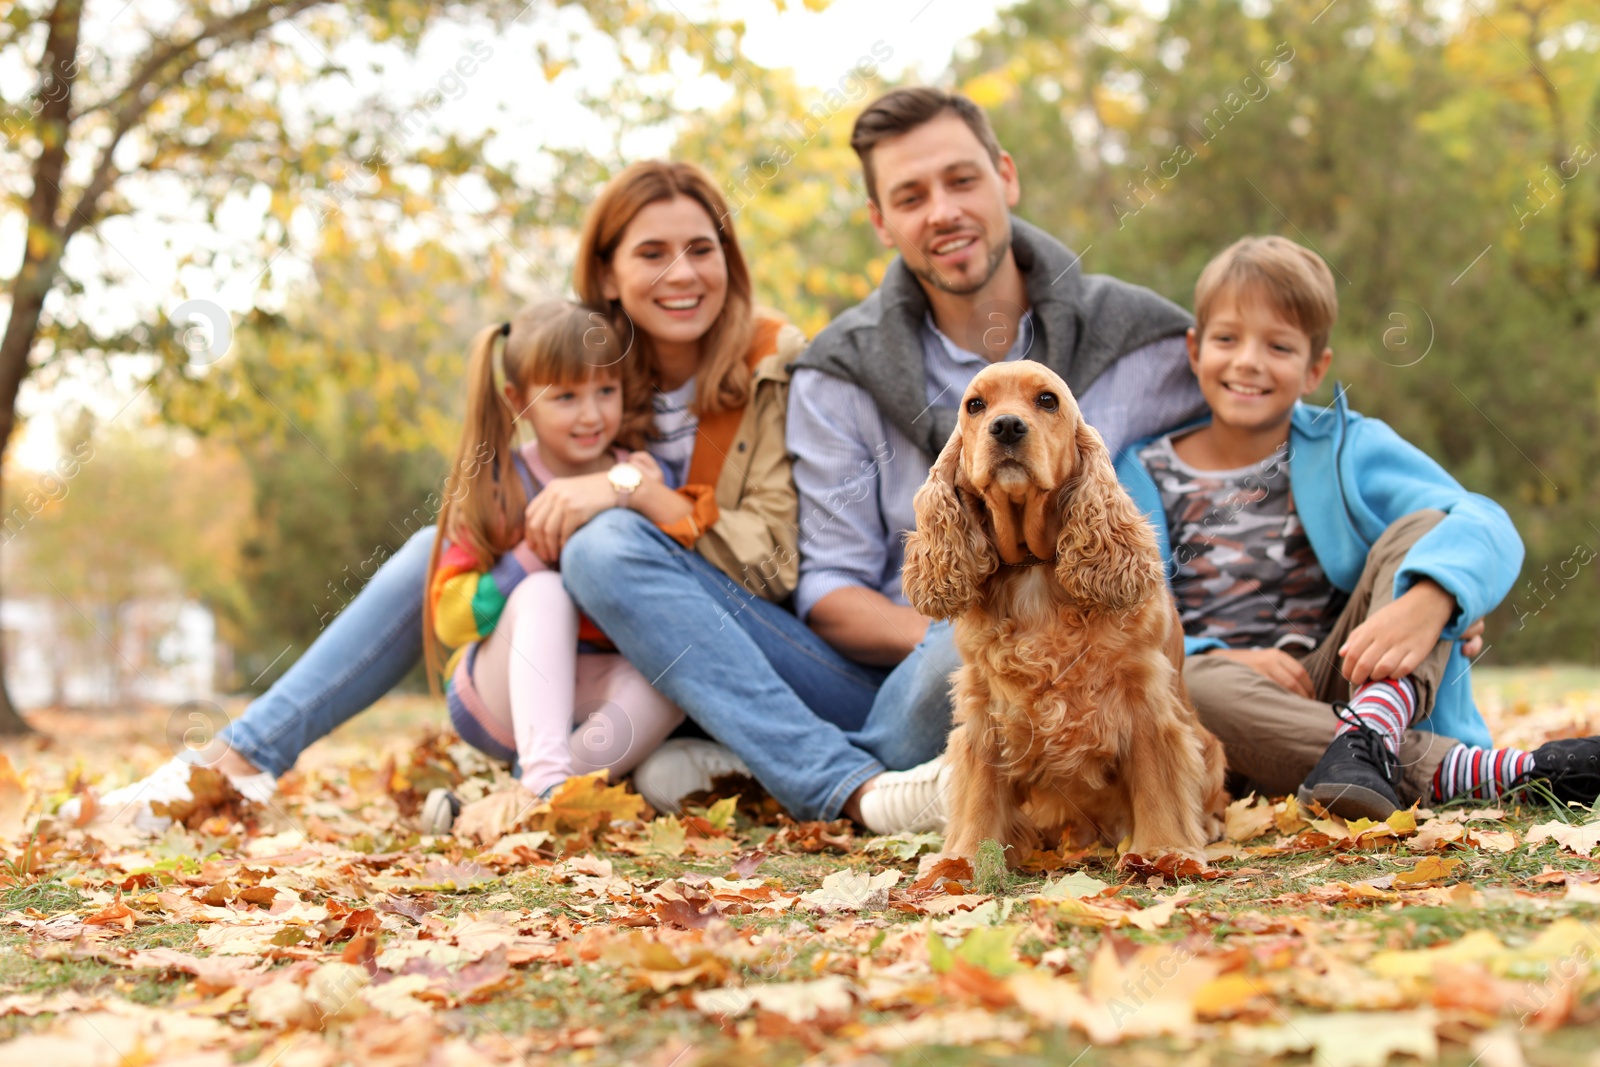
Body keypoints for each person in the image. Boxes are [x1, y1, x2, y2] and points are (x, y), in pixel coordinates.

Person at [63, 160, 883, 833]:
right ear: (606, 271)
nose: (683, 274)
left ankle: (557, 787)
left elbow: (776, 563)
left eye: (703, 249)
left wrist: (627, 490)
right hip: (611, 661)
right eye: (652, 252)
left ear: (729, 260)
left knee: (599, 549)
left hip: (742, 645)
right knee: (435, 555)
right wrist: (505, 577)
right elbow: (485, 560)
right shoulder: (586, 371)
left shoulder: (770, 363)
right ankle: (239, 759)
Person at [622, 86, 1216, 829]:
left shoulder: (1140, 339)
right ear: (880, 220)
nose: (942, 212)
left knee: (1011, 659)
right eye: (910, 195)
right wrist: (985, 628)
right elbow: (830, 592)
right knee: (607, 547)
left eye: (961, 180)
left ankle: (773, 772)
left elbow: (1283, 433)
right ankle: (875, 783)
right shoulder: (837, 371)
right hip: (894, 674)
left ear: (1006, 176)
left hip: (1079, 671)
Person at [1113, 235, 1600, 818]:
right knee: (1192, 687)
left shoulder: (1347, 444)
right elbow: (1124, 619)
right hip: (1230, 712)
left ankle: (1370, 731)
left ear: (1316, 367)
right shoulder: (1143, 470)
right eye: (1227, 339)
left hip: (1353, 670)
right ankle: (1483, 773)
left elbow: (1482, 520)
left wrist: (1434, 597)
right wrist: (1218, 656)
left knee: (1427, 528)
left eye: (1278, 346)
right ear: (1194, 351)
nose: (1248, 361)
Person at [417, 301, 686, 832]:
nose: (591, 415)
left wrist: (647, 499)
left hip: (596, 696)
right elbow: (450, 617)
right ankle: (543, 779)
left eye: (604, 392)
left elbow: (675, 589)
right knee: (545, 593)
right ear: (519, 401)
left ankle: (525, 804)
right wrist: (531, 557)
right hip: (499, 694)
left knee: (677, 672)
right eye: (565, 397)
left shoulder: (634, 473)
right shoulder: (500, 484)